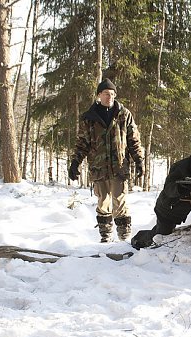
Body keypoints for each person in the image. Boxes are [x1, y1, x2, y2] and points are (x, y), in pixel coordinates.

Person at [68, 78, 144, 243]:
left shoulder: (124, 114)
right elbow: (82, 143)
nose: (109, 97)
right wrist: (75, 163)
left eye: (112, 94)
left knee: (120, 201)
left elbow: (133, 140)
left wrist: (139, 160)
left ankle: (124, 238)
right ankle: (105, 237)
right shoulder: (89, 118)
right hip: (99, 167)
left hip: (119, 167)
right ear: (99, 95)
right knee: (103, 202)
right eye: (106, 94)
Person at [131, 139, 191, 249]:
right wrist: (181, 188)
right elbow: (169, 188)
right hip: (168, 208)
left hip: (178, 210)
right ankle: (138, 240)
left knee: (162, 233)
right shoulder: (181, 167)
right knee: (160, 236)